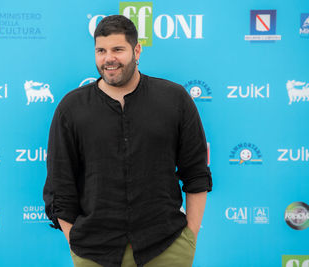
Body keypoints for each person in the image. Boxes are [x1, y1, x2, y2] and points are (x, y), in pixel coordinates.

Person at [43, 15, 212, 267]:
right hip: (93, 252)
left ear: (137, 50)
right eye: (101, 50)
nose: (108, 58)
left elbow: (196, 173)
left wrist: (190, 236)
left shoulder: (174, 99)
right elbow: (60, 185)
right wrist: (74, 240)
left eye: (117, 49)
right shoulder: (71, 108)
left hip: (166, 247)